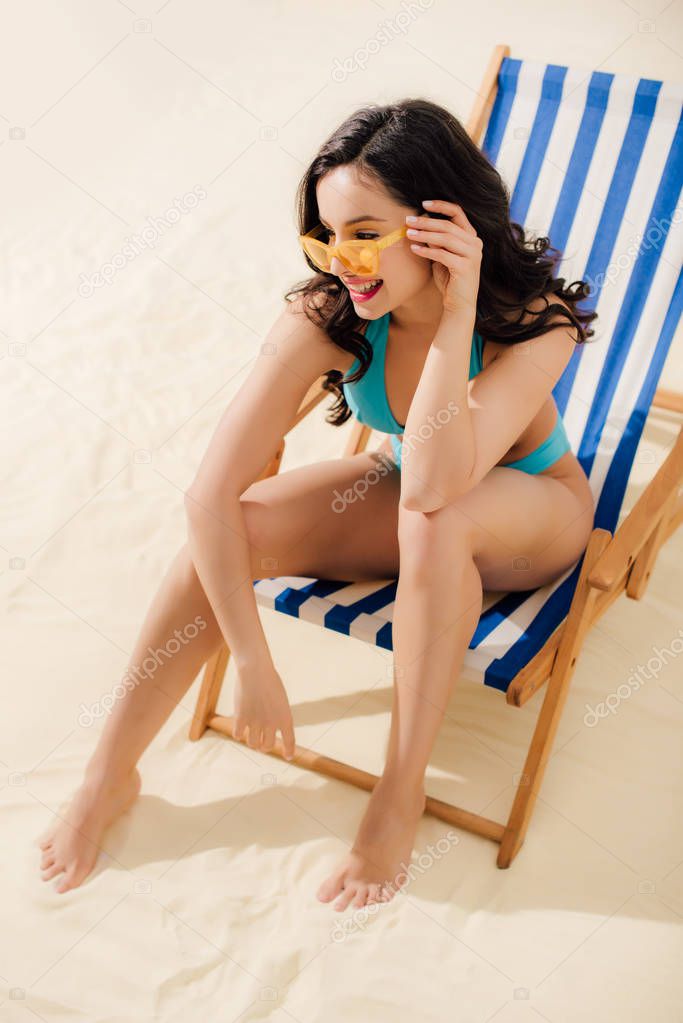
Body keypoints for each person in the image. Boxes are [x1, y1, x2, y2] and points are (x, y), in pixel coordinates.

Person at [37, 97, 596, 911]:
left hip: (529, 514)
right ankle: (107, 773)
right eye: (327, 234)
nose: (344, 260)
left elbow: (443, 484)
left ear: (441, 223)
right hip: (414, 489)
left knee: (432, 517)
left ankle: (396, 794)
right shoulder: (326, 313)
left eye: (365, 231)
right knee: (239, 525)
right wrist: (253, 659)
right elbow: (208, 496)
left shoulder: (529, 324)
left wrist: (456, 315)